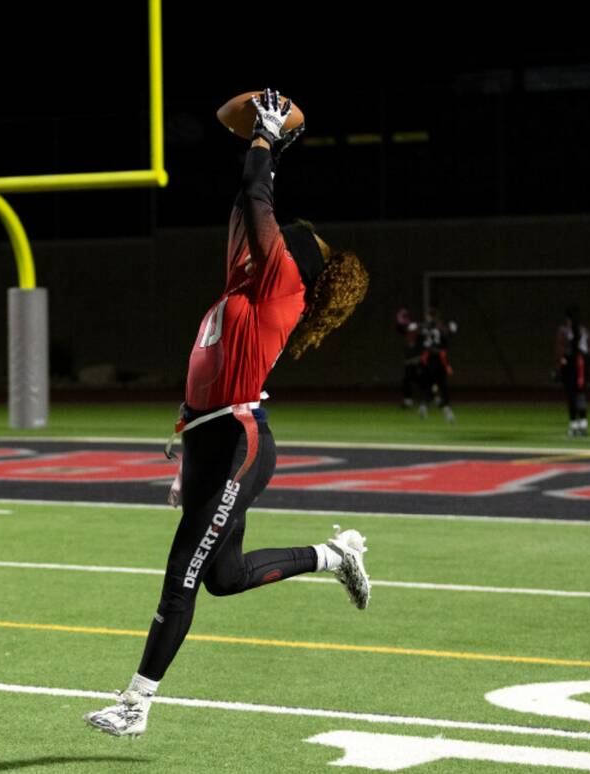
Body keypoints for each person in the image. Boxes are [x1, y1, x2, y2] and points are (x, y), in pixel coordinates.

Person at [83, 90, 372, 739]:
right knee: (223, 575)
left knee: (181, 571)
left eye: (289, 238)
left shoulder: (284, 285)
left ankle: (136, 703)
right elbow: (246, 209)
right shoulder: (246, 280)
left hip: (242, 443)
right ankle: (335, 555)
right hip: (212, 440)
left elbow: (256, 199)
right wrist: (183, 443)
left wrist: (264, 141)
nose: (279, 234)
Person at [415, 308, 457, 422]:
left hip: (428, 361)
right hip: (438, 360)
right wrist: (447, 365)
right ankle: (447, 411)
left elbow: (422, 344)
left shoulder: (425, 329)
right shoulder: (441, 329)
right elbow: (444, 345)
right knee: (442, 387)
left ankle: (424, 405)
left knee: (429, 386)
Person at [554, 307, 590, 438]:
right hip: (582, 365)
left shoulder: (565, 331)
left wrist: (560, 363)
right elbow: (588, 349)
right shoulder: (584, 330)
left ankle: (574, 425)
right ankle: (583, 424)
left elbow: (560, 349)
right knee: (581, 395)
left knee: (572, 396)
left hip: (571, 366)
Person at [395, 308, 422, 409]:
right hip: (412, 357)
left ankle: (428, 397)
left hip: (415, 357)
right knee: (410, 379)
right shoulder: (411, 325)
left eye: (402, 317)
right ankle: (409, 400)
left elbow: (400, 326)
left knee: (415, 379)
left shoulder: (411, 325)